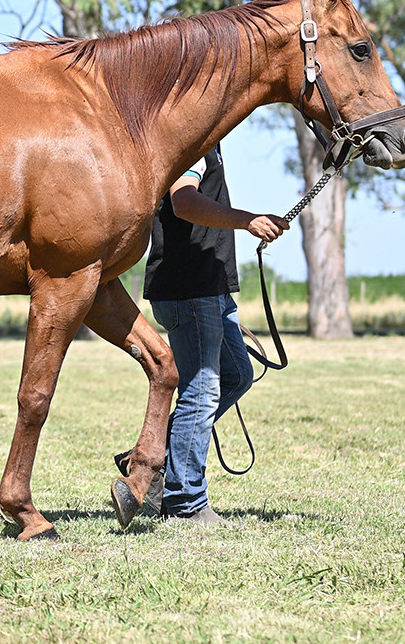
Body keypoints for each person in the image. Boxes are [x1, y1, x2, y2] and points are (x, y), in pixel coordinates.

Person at [116, 144, 288, 524]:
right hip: (191, 289)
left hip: (211, 287)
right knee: (201, 391)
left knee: (236, 376)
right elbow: (184, 202)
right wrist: (248, 220)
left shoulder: (209, 144)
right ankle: (186, 501)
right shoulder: (192, 145)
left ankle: (148, 457)